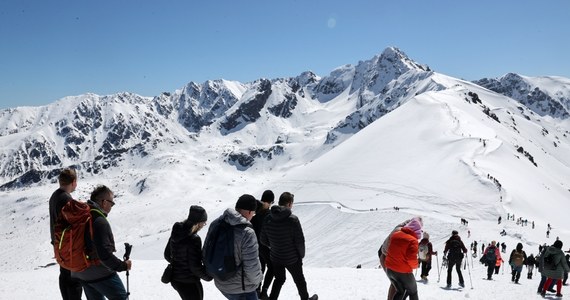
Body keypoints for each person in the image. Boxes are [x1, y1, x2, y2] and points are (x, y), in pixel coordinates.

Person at [71, 185, 132, 300]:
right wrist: (122, 265)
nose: (112, 206)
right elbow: (104, 254)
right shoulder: (99, 221)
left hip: (80, 271)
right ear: (104, 202)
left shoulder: (82, 215)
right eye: (111, 203)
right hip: (99, 272)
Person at [260, 192, 318, 300]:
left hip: (276, 257)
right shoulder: (293, 220)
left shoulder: (268, 218)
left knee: (279, 279)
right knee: (299, 280)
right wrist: (300, 255)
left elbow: (263, 240)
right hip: (292, 258)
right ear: (290, 204)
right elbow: (300, 242)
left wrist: (274, 245)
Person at [204, 194, 262, 300]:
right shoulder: (247, 232)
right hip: (242, 289)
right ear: (250, 212)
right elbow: (252, 266)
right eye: (253, 214)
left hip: (220, 282)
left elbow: (206, 250)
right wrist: (258, 281)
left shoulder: (216, 223)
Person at [48, 168, 83, 300]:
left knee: (64, 276)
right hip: (68, 248)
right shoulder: (66, 199)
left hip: (58, 246)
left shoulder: (55, 196)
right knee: (73, 280)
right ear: (73, 182)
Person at [164, 205, 212, 300]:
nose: (203, 225)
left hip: (176, 280)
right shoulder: (194, 239)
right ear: (198, 222)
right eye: (203, 222)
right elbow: (195, 266)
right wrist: (208, 276)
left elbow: (167, 255)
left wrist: (179, 264)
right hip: (189, 282)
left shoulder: (177, 230)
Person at [384, 217, 423, 300]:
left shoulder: (396, 234)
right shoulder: (413, 240)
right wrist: (416, 265)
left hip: (390, 270)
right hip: (403, 272)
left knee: (400, 291)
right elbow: (411, 259)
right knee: (413, 291)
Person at [378, 218, 415, 300]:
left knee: (398, 283)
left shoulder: (405, 231)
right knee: (397, 282)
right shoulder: (400, 232)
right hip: (386, 256)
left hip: (387, 255)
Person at [251, 190, 275, 299]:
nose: (270, 205)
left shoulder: (255, 214)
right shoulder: (269, 215)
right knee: (271, 268)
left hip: (256, 247)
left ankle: (258, 289)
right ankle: (263, 290)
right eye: (270, 202)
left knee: (261, 268)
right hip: (265, 247)